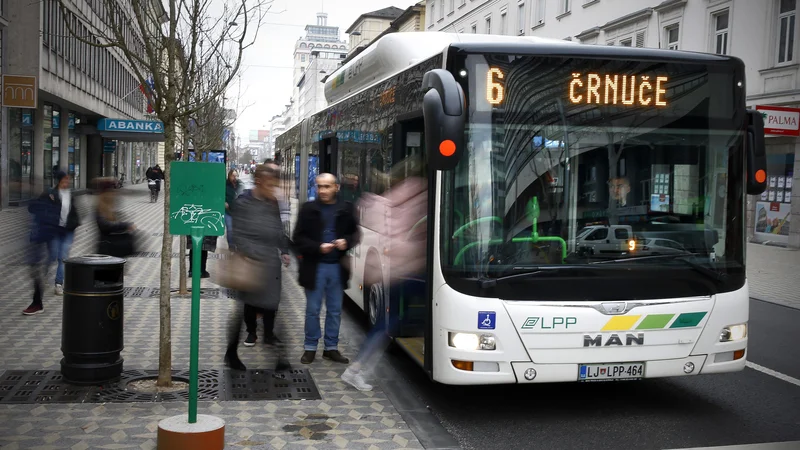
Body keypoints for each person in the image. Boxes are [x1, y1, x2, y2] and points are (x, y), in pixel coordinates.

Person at [342, 157, 427, 391]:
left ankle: (357, 370)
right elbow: (404, 239)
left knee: (390, 321)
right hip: (404, 272)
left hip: (397, 273)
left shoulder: (385, 200)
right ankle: (356, 370)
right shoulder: (415, 193)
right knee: (387, 324)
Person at [225, 164, 292, 370]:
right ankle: (232, 352)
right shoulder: (244, 202)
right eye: (271, 185)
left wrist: (285, 249)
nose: (274, 189)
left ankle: (276, 349)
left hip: (270, 266)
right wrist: (251, 255)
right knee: (245, 309)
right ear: (259, 182)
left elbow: (277, 231)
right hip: (250, 265)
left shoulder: (272, 203)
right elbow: (238, 234)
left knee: (274, 306)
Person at [292, 173, 360, 365]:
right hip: (315, 268)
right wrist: (318, 247)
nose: (322, 190)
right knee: (313, 310)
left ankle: (331, 348)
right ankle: (310, 347)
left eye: (327, 186)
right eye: (319, 186)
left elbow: (356, 234)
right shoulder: (308, 209)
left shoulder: (346, 208)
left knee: (335, 310)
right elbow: (299, 238)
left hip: (337, 269)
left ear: (336, 187)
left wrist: (346, 242)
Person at [23, 171, 80, 315]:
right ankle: (46, 275)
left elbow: (75, 214)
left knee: (62, 257)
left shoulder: (71, 195)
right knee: (53, 255)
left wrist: (72, 224)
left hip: (66, 231)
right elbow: (33, 208)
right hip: (54, 231)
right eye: (65, 179)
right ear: (59, 180)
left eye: (69, 180)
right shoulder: (50, 193)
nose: (67, 182)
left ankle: (58, 284)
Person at [95, 178, 137, 258]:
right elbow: (104, 225)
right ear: (105, 193)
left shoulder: (110, 206)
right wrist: (125, 225)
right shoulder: (100, 207)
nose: (114, 194)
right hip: (106, 249)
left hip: (112, 247)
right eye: (111, 191)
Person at [225, 169, 241, 249]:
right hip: (228, 211)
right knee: (230, 229)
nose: (234, 177)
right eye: (233, 176)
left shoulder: (239, 185)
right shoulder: (225, 184)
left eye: (236, 175)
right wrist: (224, 202)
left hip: (237, 211)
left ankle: (238, 244)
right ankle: (231, 246)